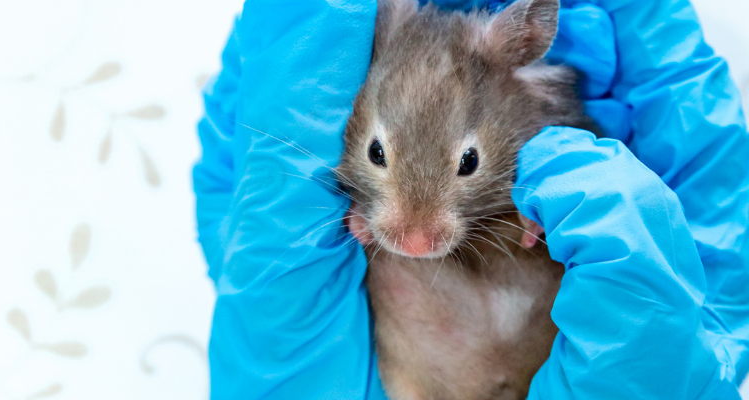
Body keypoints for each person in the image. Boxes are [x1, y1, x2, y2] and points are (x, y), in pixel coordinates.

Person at [193, 0, 749, 398]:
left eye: (466, 164)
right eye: (378, 155)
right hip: (421, 362)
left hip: (548, 336)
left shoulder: (529, 126)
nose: (414, 236)